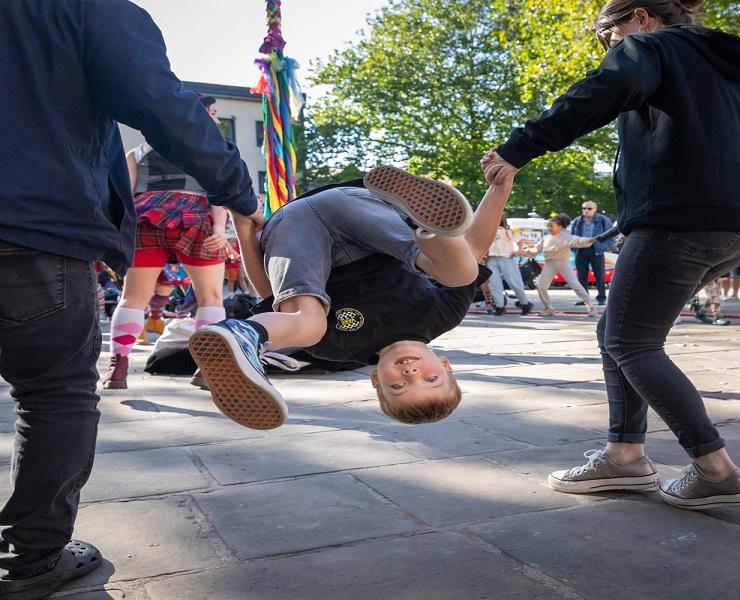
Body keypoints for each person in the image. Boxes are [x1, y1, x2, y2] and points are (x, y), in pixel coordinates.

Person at [481, 0, 740, 508]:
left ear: (640, 17)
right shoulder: (731, 78)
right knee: (620, 331)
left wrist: (519, 146)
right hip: (739, 227)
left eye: (605, 33)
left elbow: (600, 92)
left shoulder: (648, 47)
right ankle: (625, 455)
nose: (606, 46)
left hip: (679, 217)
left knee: (630, 341)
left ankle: (714, 469)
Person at [0, 2, 261, 596]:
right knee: (53, 390)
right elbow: (161, 104)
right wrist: (238, 200)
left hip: (143, 220)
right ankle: (31, 556)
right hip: (30, 220)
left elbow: (139, 157)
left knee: (137, 299)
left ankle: (129, 358)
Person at [190, 164, 512, 430]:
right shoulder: (443, 314)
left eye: (397, 387)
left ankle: (245, 335)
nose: (412, 375)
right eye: (431, 379)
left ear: (376, 381)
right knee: (463, 271)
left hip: (296, 229)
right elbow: (477, 249)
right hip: (361, 214)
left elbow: (272, 291)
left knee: (306, 322)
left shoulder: (336, 348)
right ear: (445, 365)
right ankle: (432, 229)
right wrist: (499, 188)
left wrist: (244, 229)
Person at [103, 96, 233, 391]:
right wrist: (218, 227)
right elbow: (219, 192)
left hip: (146, 220)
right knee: (211, 298)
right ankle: (206, 369)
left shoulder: (136, 152)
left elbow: (124, 195)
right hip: (195, 217)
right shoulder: (210, 149)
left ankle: (118, 369)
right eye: (212, 113)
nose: (215, 119)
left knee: (132, 298)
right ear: (195, 117)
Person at [526, 215, 598, 317]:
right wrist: (525, 251)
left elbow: (578, 240)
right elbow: (536, 250)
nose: (548, 228)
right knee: (541, 285)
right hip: (549, 264)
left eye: (551, 226)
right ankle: (548, 308)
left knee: (576, 285)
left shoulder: (566, 237)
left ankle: (591, 306)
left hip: (563, 263)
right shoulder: (545, 238)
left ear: (559, 226)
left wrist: (590, 240)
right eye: (547, 226)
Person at [485, 215, 535, 316]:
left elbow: (521, 241)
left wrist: (519, 251)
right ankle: (500, 306)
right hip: (490, 259)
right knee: (494, 284)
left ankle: (525, 303)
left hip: (506, 258)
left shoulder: (507, 231)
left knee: (514, 282)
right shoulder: (487, 231)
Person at [570, 201, 615, 305]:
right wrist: (573, 247)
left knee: (599, 275)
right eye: (584, 208)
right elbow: (571, 235)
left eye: (589, 208)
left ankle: (601, 298)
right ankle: (584, 298)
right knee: (581, 276)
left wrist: (603, 246)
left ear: (595, 209)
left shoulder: (602, 220)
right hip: (580, 250)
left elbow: (611, 235)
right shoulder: (578, 221)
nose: (586, 210)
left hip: (596, 250)